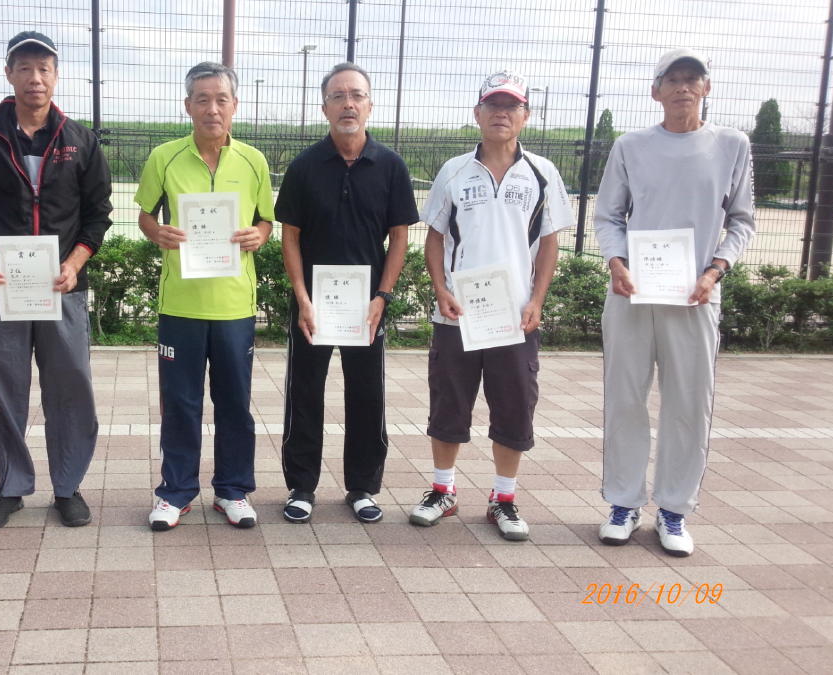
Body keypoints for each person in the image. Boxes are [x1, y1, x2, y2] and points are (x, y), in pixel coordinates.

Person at [0, 31, 113, 529]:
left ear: (56, 76)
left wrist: (75, 263)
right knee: (4, 387)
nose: (35, 77)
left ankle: (68, 486)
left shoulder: (79, 139)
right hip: (2, 287)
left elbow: (98, 213)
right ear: (9, 74)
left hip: (63, 286)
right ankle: (11, 486)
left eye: (44, 68)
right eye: (24, 67)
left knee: (71, 385)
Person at [595, 49, 755, 557]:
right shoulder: (631, 145)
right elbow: (608, 215)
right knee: (625, 397)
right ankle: (623, 503)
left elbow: (742, 220)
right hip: (631, 291)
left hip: (695, 294)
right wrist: (617, 263)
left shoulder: (731, 144)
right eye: (673, 79)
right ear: (655, 91)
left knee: (688, 402)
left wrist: (715, 271)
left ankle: (674, 509)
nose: (683, 87)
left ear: (706, 88)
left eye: (693, 79)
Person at [413, 70, 573, 541]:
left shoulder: (542, 173)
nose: (502, 113)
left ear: (526, 115)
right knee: (449, 404)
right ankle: (443, 490)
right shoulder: (453, 170)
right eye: (493, 105)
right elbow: (435, 237)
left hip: (515, 317)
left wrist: (537, 300)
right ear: (477, 113)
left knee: (514, 406)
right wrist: (440, 289)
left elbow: (549, 242)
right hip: (457, 315)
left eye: (511, 106)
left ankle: (504, 498)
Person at [134, 62, 274, 531]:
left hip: (235, 305)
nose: (212, 109)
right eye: (202, 99)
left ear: (235, 106)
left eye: (221, 100)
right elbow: (145, 215)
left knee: (234, 402)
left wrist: (259, 235)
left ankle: (233, 491)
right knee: (180, 403)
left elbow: (266, 220)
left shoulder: (253, 161)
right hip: (181, 304)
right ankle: (174, 492)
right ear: (187, 105)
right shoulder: (164, 157)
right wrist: (158, 233)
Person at [277, 62, 417, 525]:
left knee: (367, 394)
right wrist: (302, 298)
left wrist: (382, 297)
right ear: (325, 108)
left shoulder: (390, 166)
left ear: (370, 105)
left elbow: (399, 235)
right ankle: (301, 486)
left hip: (366, 306)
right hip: (312, 306)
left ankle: (362, 486)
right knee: (304, 392)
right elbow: (290, 235)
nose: (348, 104)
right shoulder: (304, 166)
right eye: (338, 96)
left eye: (356, 95)